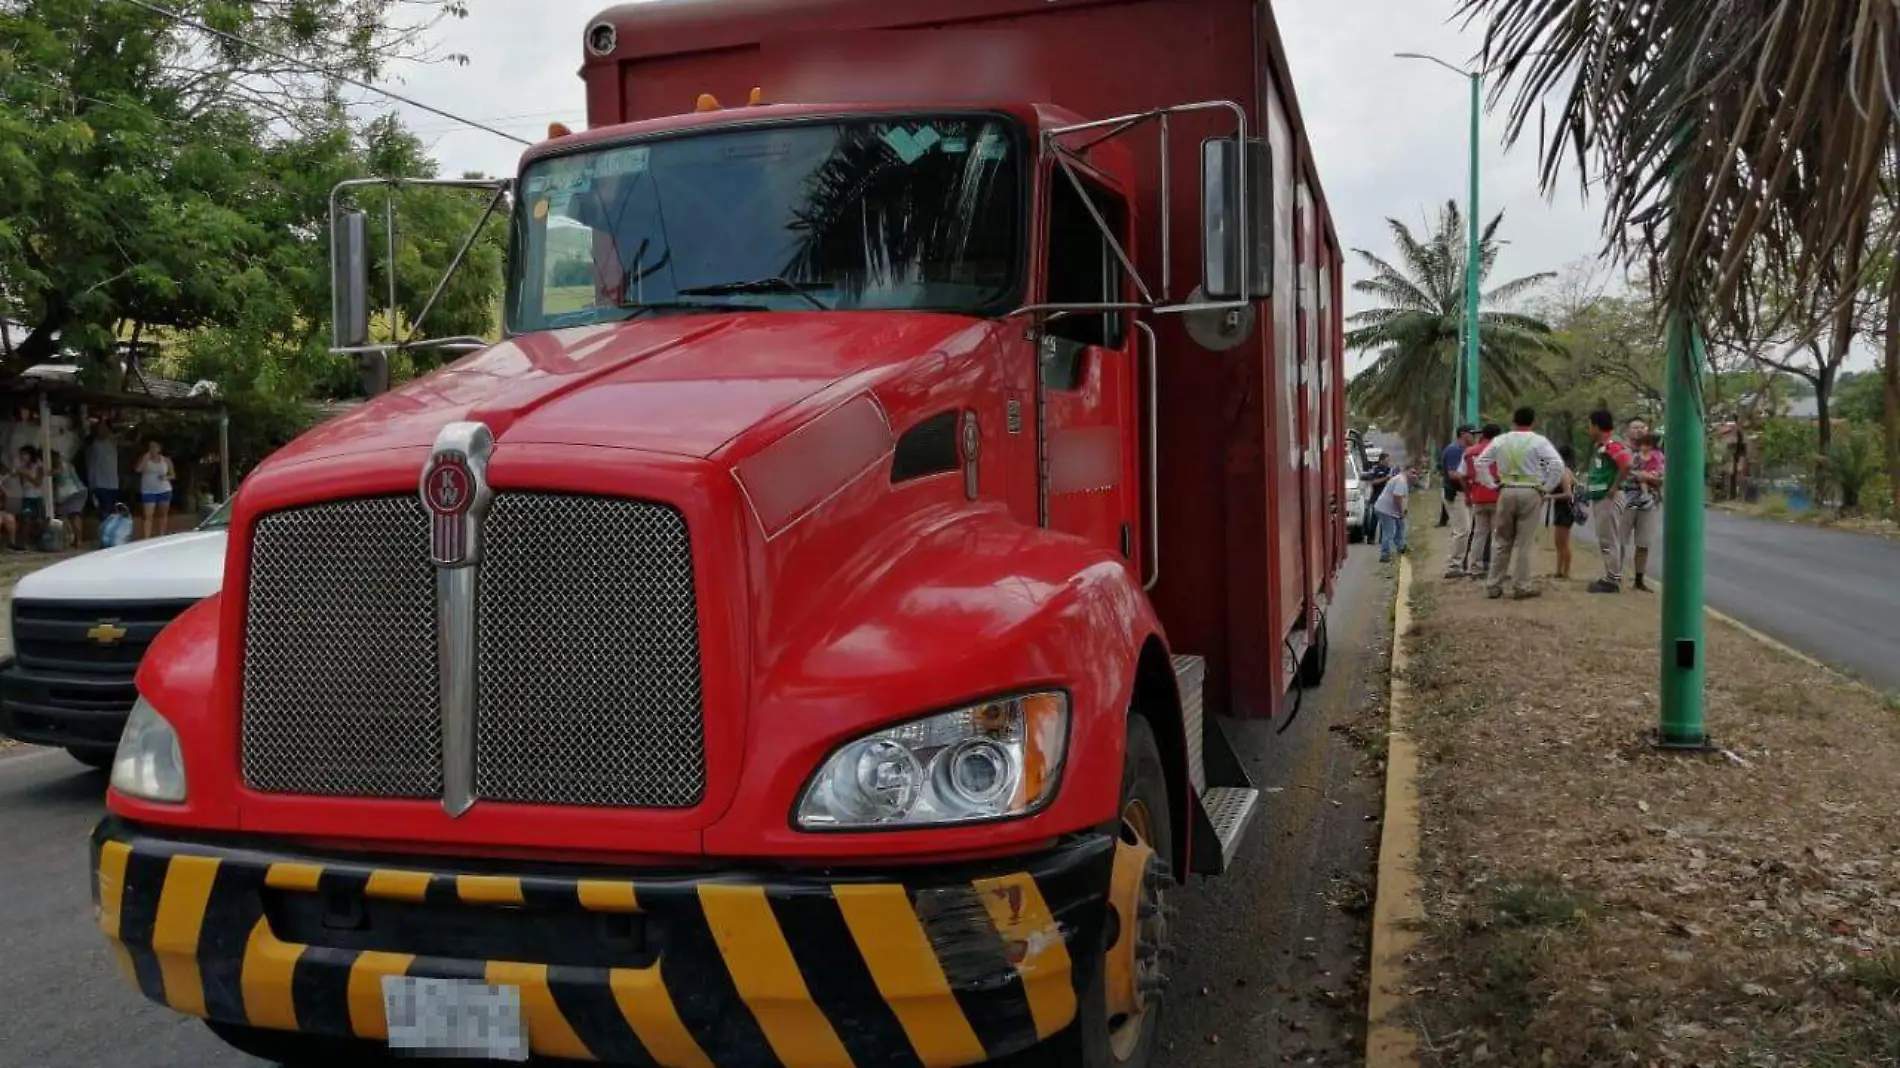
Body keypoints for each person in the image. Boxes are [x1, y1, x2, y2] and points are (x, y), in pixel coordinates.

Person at [1473, 406, 1565, 600]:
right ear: (1533, 422)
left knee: (1502, 540)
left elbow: (1480, 462)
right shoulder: (1539, 441)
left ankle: (1493, 585)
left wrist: (1491, 484)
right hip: (1531, 491)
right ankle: (1521, 586)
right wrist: (1546, 488)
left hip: (1506, 490)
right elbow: (1557, 465)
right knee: (1524, 542)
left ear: (1513, 421)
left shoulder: (1500, 440)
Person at [1583, 410, 1634, 593]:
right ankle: (1611, 575)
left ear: (1596, 425)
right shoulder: (1602, 446)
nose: (1588, 429)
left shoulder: (1612, 444)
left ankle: (1612, 579)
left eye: (1589, 425)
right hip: (1601, 497)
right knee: (1607, 538)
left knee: (1609, 539)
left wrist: (1614, 487)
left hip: (1608, 498)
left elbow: (1627, 463)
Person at [1616, 431, 1665, 591]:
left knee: (1643, 544)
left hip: (1649, 504)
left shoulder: (1659, 458)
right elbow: (1627, 475)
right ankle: (1614, 574)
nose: (1646, 447)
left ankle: (1639, 579)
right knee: (1619, 540)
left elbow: (1661, 480)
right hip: (1628, 502)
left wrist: (1646, 478)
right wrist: (1643, 477)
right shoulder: (1634, 457)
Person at [1452, 423, 1503, 578]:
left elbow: (1461, 475)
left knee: (1479, 534)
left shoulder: (1469, 452)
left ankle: (1474, 568)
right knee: (1497, 535)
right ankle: (1495, 569)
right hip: (1496, 496)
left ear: (1483, 435)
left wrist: (1468, 495)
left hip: (1478, 497)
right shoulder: (1499, 451)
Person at [1439, 425, 1474, 567]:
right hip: (1455, 494)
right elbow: (1453, 474)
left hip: (1462, 493)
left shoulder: (1465, 450)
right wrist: (1471, 477)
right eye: (1472, 434)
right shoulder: (1455, 450)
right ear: (1463, 434)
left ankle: (1461, 561)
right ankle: (1453, 564)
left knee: (1464, 529)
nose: (1474, 437)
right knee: (1462, 530)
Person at [1545, 444, 1580, 580]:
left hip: (1565, 509)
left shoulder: (1564, 471)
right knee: (1559, 542)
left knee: (1563, 542)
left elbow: (1568, 494)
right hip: (1561, 508)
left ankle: (1566, 572)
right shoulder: (1565, 471)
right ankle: (1559, 571)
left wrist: (1550, 496)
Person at [86, 422, 120, 545]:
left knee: (112, 511)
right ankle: (104, 538)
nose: (104, 432)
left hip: (113, 483)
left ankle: (111, 537)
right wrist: (91, 484)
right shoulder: (94, 446)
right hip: (99, 483)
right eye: (101, 430)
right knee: (103, 512)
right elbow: (91, 466)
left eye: (106, 429)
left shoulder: (113, 444)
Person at [134, 439, 175, 541]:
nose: (152, 449)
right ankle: (146, 537)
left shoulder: (166, 460)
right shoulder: (144, 458)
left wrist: (166, 477)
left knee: (163, 514)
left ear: (159, 448)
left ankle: (162, 535)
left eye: (154, 447)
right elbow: (138, 470)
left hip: (164, 489)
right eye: (150, 447)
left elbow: (173, 475)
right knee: (148, 515)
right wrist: (145, 458)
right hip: (148, 490)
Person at [1374, 460, 1416, 563]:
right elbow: (1397, 497)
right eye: (1412, 472)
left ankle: (1401, 546)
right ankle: (1385, 554)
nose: (1414, 475)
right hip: (1385, 510)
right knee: (1389, 532)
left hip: (1389, 509)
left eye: (1415, 473)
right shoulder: (1401, 481)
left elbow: (1402, 497)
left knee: (1400, 526)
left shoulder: (1402, 480)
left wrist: (1402, 512)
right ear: (1406, 471)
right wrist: (1400, 512)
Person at [51, 452, 86, 549]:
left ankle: (71, 539)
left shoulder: (62, 464)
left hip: (71, 492)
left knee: (69, 515)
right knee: (74, 515)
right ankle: (77, 540)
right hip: (78, 490)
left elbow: (55, 473)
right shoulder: (67, 463)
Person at [14, 445, 46, 550]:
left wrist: (26, 474)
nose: (22, 456)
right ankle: (24, 544)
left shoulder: (38, 466)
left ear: (30, 455)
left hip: (37, 497)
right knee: (26, 520)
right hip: (26, 497)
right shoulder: (22, 466)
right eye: (21, 454)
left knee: (39, 521)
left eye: (24, 454)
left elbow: (38, 482)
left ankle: (39, 542)